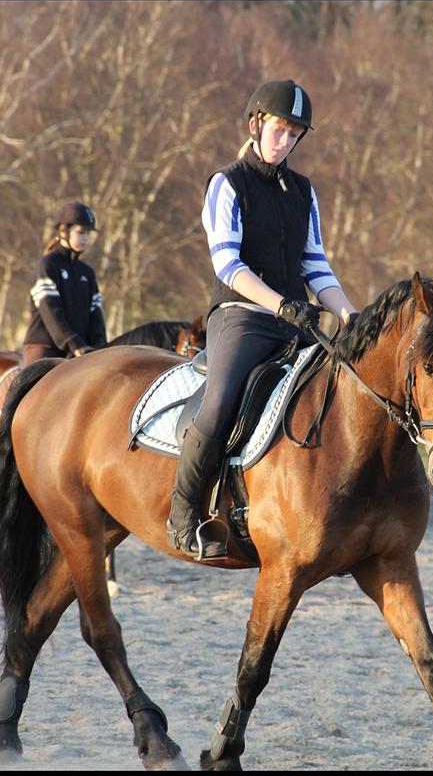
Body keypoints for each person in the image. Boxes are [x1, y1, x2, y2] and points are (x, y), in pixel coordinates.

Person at [168, 79, 358, 560]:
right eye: (280, 129)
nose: (286, 140)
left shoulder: (303, 191)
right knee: (220, 402)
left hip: (295, 321)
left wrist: (350, 314)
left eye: (295, 134)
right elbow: (227, 265)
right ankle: (184, 514)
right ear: (256, 125)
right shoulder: (227, 183)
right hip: (242, 318)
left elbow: (315, 265)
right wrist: (279, 304)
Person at [21, 200, 107, 367]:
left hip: (81, 351)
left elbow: (96, 316)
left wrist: (100, 347)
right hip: (46, 348)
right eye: (81, 232)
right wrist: (74, 343)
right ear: (63, 231)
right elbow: (51, 311)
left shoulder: (87, 273)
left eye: (88, 233)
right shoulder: (47, 265)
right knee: (32, 389)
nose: (86, 238)